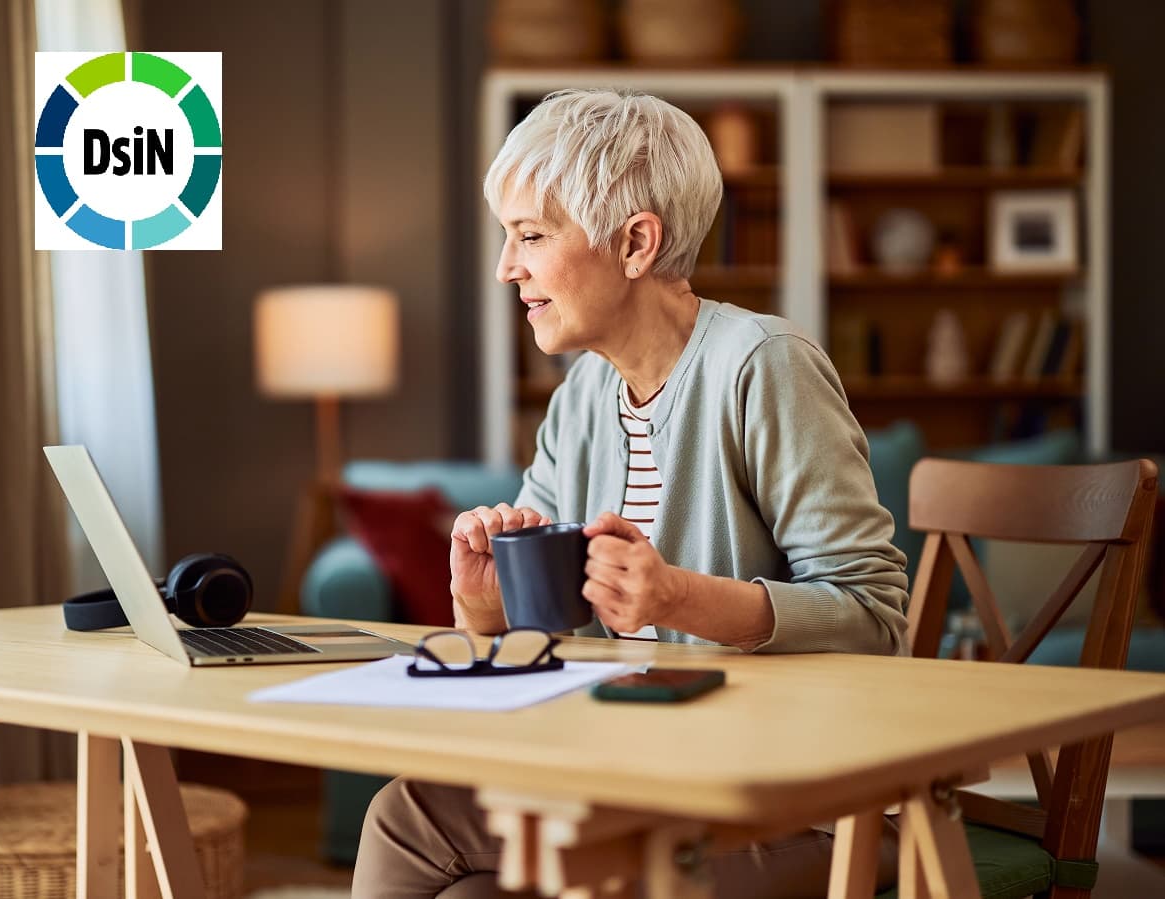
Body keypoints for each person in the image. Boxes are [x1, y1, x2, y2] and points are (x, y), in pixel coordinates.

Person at [352, 88, 909, 899]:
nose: (508, 266)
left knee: (413, 817)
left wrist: (678, 596)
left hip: (807, 802)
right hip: (648, 773)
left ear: (636, 242)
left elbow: (873, 615)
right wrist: (485, 606)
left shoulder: (762, 363)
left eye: (532, 236)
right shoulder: (581, 395)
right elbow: (542, 630)